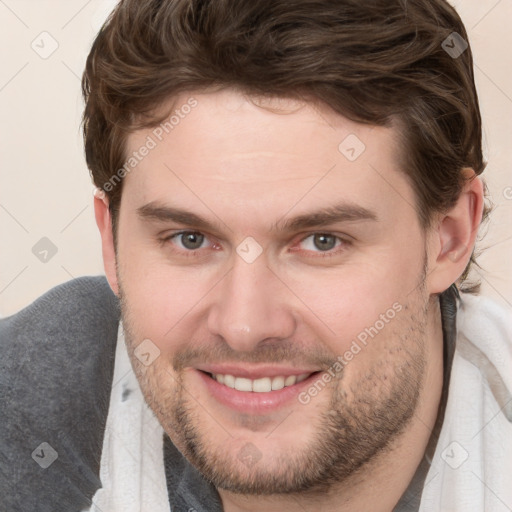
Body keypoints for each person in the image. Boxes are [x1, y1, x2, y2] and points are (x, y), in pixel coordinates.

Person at [1, 1, 511, 511]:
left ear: (448, 237)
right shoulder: (31, 395)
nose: (244, 326)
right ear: (111, 241)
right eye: (189, 239)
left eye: (321, 241)